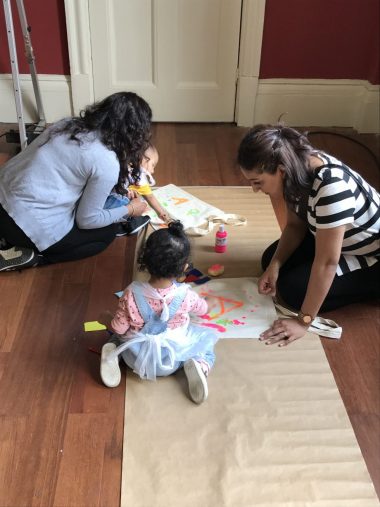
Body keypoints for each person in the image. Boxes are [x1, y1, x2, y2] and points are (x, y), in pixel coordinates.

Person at [238, 124, 380, 347]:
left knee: (294, 291)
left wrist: (304, 321)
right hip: (332, 234)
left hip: (371, 254)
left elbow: (327, 263)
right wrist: (275, 264)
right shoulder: (295, 168)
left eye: (258, 182)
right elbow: (295, 226)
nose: (256, 189)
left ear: (281, 170)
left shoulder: (331, 188)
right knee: (270, 260)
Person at [0, 91, 152, 272]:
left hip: (3, 198)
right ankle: (35, 258)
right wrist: (130, 209)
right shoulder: (106, 160)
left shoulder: (68, 124)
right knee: (105, 235)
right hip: (24, 224)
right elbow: (87, 220)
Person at [99, 220, 218, 404]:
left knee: (116, 338)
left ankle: (112, 358)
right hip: (173, 358)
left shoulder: (131, 293)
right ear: (185, 267)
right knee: (205, 346)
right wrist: (210, 302)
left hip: (135, 358)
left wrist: (105, 318)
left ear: (144, 261)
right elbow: (202, 310)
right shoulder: (186, 295)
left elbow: (119, 328)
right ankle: (199, 366)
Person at [104, 143, 170, 232]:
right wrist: (124, 192)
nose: (153, 171)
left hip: (108, 206)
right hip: (102, 204)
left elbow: (150, 196)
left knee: (138, 200)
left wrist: (161, 212)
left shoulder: (139, 177)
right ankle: (122, 225)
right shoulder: (120, 167)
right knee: (129, 201)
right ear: (145, 160)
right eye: (153, 165)